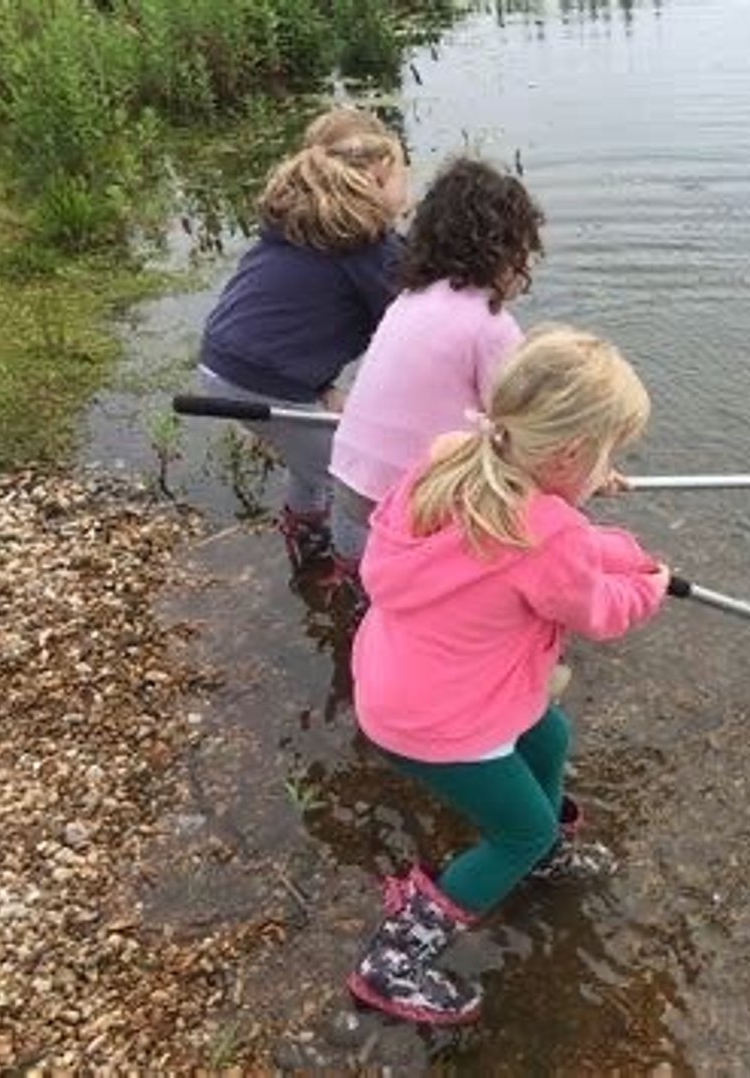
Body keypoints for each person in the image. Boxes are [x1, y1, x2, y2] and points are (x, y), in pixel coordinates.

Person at [345, 327, 668, 1025]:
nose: (612, 467)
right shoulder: (548, 534)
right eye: (608, 455)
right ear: (570, 456)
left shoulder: (451, 459)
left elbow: (556, 540)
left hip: (405, 678)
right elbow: (599, 609)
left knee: (548, 738)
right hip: (443, 721)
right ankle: (394, 959)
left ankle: (543, 852)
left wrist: (587, 516)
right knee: (515, 832)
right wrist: (651, 579)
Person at [197, 107, 408, 574]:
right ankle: (359, 584)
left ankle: (305, 538)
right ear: (375, 178)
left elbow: (294, 315)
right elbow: (411, 325)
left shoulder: (307, 221)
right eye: (402, 176)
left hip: (227, 361)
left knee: (311, 458)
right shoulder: (367, 244)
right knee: (355, 485)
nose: (406, 191)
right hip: (264, 378)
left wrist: (320, 390)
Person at [326, 157, 545, 597]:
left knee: (366, 611)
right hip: (402, 506)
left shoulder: (409, 298)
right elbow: (524, 428)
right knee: (523, 537)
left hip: (347, 486)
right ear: (507, 251)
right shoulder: (490, 324)